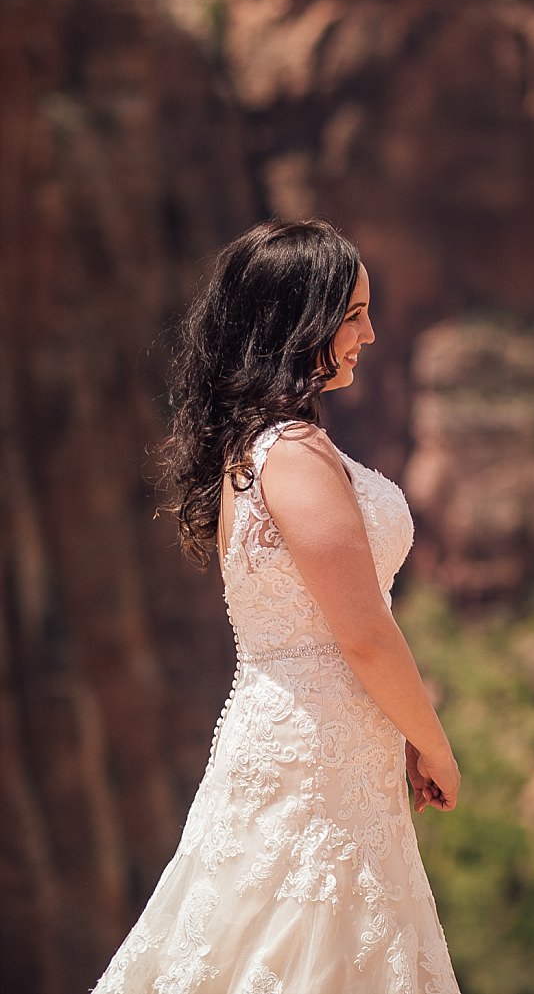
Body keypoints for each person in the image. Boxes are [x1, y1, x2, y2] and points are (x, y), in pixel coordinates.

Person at [96, 219, 462, 993]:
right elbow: (362, 632)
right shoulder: (289, 453)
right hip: (314, 767)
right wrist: (433, 743)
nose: (369, 331)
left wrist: (389, 732)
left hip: (326, 752)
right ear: (303, 322)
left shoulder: (272, 446)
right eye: (354, 312)